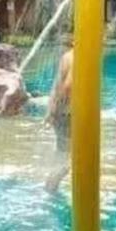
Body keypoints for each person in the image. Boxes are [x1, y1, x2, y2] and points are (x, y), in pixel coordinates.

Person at [44, 47, 74, 192]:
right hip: (70, 113)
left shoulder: (67, 55)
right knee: (68, 159)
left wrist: (52, 110)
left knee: (63, 156)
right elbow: (69, 85)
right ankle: (50, 189)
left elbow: (58, 87)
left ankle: (50, 189)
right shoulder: (79, 57)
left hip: (61, 113)